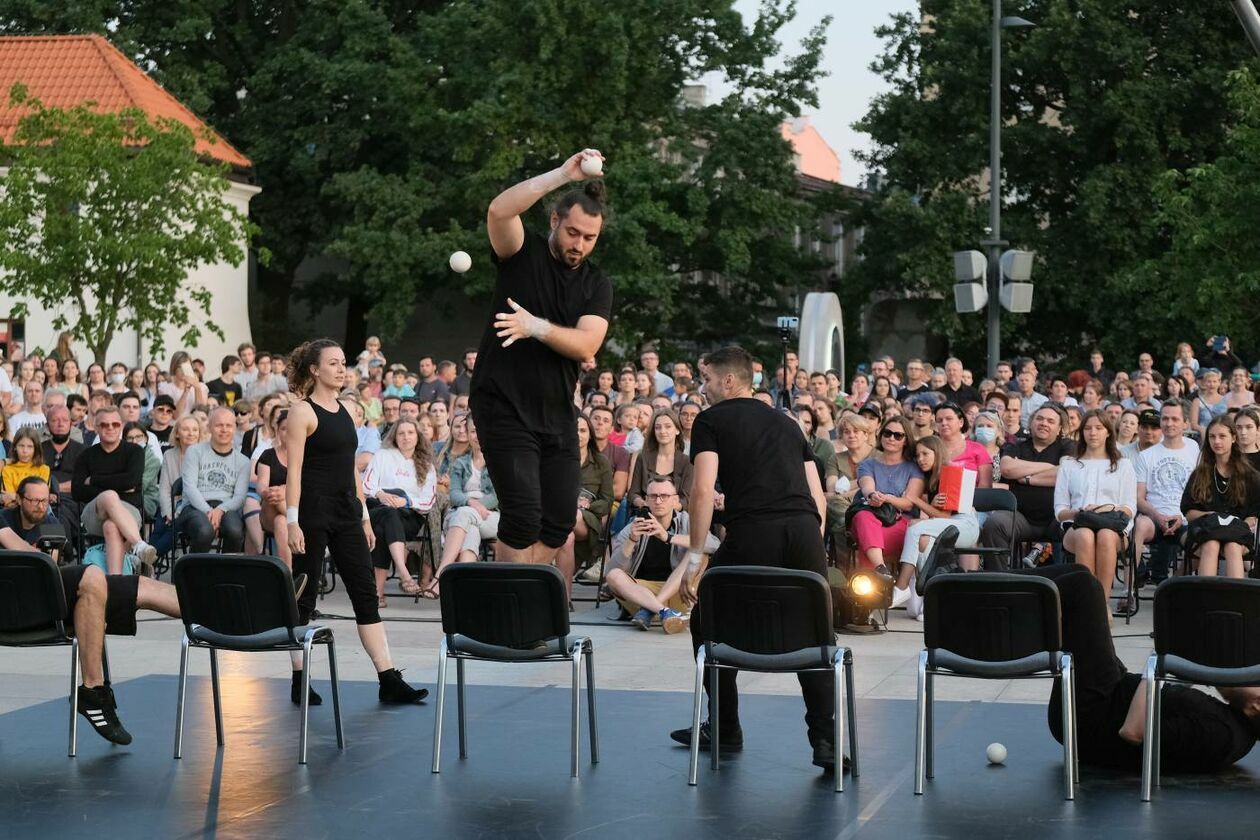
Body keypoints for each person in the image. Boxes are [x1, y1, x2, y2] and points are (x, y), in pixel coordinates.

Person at [915, 559, 1260, 774]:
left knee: (1082, 590)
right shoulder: (1229, 723)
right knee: (1079, 574)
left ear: (1258, 706)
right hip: (1110, 690)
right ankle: (961, 580)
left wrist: (1160, 668)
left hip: (1093, 718)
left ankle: (956, 596)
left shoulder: (1222, 735)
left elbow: (1133, 732)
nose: (1247, 669)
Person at [669, 346, 840, 772]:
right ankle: (825, 740)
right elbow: (817, 496)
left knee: (705, 618)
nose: (703, 389)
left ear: (729, 381)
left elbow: (703, 490)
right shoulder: (788, 422)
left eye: (707, 380)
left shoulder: (711, 420)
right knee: (815, 632)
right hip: (804, 532)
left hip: (754, 530)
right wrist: (808, 544)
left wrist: (695, 555)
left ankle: (725, 727)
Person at [473, 149, 612, 566]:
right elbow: (499, 210)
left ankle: (518, 604)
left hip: (556, 413)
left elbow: (588, 344)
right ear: (555, 220)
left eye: (590, 238)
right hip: (502, 406)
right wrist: (561, 174)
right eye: (573, 233)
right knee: (521, 517)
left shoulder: (596, 284)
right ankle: (509, 620)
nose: (579, 245)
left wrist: (537, 327)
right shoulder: (522, 254)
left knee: (556, 523)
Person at [285, 339, 428, 705]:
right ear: (315, 370)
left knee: (365, 595)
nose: (341, 368)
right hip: (313, 513)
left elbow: (351, 470)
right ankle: (300, 678)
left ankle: (388, 677)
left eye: (343, 362)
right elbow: (294, 471)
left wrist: (364, 516)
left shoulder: (347, 413)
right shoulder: (302, 411)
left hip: (348, 512)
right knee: (304, 595)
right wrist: (292, 521)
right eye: (332, 363)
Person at [0, 476, 182, 745]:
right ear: (19, 499)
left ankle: (215, 612)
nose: (40, 506)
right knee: (93, 573)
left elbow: (50, 567)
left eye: (43, 501)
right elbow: (28, 556)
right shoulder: (5, 519)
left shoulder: (51, 525)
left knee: (135, 585)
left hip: (53, 602)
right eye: (33, 501)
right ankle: (93, 692)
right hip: (15, 605)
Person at [607, 476, 716, 632]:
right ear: (646, 500)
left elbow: (715, 545)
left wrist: (668, 537)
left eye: (664, 496)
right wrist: (631, 540)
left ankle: (653, 610)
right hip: (642, 594)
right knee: (614, 576)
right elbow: (611, 571)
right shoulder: (634, 526)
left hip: (679, 592)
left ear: (675, 500)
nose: (658, 501)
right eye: (653, 496)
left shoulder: (686, 521)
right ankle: (664, 611)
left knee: (698, 554)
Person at [890, 435, 980, 615]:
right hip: (947, 525)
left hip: (965, 526)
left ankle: (901, 586)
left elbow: (944, 518)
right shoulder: (930, 478)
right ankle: (930, 597)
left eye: (925, 454)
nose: (920, 459)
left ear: (937, 453)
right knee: (922, 539)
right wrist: (928, 505)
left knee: (916, 527)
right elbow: (939, 517)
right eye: (917, 455)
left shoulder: (951, 473)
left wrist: (915, 499)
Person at [1054, 410, 1137, 603]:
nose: (1093, 433)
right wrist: (1079, 512)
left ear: (1108, 432)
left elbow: (1130, 507)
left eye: (1099, 428)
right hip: (1078, 524)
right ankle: (1086, 605)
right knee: (1085, 535)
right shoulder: (1069, 465)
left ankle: (1102, 604)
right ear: (1081, 432)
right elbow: (1060, 511)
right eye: (1088, 428)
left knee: (1106, 536)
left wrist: (1106, 509)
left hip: (1114, 525)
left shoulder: (1123, 465)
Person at [979, 404, 1073, 562]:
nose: (1044, 423)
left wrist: (1027, 478)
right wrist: (1051, 467)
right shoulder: (1015, 445)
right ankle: (998, 580)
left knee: (1075, 526)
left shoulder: (1067, 446)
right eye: (1039, 419)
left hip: (1056, 517)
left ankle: (1072, 580)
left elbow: (1065, 475)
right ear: (1030, 423)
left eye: (1050, 421)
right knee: (994, 524)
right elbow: (1007, 469)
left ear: (1059, 429)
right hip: (1020, 517)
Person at [72, 405, 158, 575]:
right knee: (109, 496)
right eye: (104, 424)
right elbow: (77, 491)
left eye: (115, 424)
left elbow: (132, 481)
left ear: (121, 425)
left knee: (112, 526)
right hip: (94, 512)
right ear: (96, 427)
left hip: (129, 511)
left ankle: (115, 581)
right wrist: (116, 489)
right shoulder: (86, 455)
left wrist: (95, 480)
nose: (110, 428)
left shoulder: (134, 452)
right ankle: (138, 544)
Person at [363, 417, 438, 604]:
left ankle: (378, 593)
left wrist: (405, 500)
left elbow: (429, 500)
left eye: (410, 433)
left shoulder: (427, 465)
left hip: (409, 517)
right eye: (401, 433)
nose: (406, 437)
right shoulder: (382, 455)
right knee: (387, 514)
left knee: (383, 528)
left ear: (418, 436)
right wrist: (381, 494)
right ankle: (403, 571)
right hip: (378, 509)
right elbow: (365, 486)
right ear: (395, 437)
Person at [1180, 414, 1260, 578]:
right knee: (1211, 544)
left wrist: (1233, 526)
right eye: (1212, 436)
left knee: (1232, 545)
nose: (1217, 441)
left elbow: (1254, 514)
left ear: (1233, 438)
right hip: (1204, 531)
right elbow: (1188, 512)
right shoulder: (1200, 473)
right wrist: (1212, 516)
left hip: (1238, 534)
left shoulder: (1250, 475)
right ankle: (1206, 601)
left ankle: (1235, 601)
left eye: (1222, 436)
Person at [1133, 399, 1200, 583]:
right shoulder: (1146, 455)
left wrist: (1181, 516)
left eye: (1175, 419)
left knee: (1203, 542)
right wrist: (1157, 515)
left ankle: (1171, 585)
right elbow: (1139, 497)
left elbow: (1200, 493)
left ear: (1185, 423)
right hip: (1153, 518)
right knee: (1139, 526)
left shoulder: (1195, 450)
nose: (1169, 423)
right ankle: (1128, 591)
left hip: (1184, 518)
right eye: (1165, 419)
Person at [850, 415, 925, 574]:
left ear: (906, 440)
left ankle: (874, 586)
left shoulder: (913, 468)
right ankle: (881, 569)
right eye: (887, 433)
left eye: (898, 435)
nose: (891, 438)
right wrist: (872, 496)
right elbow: (867, 487)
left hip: (900, 521)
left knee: (868, 544)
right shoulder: (867, 464)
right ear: (880, 435)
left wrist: (888, 499)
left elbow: (909, 503)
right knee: (863, 516)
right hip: (872, 517)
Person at [431, 415, 499, 588]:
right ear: (468, 434)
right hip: (463, 517)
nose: (478, 436)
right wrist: (472, 503)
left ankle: (440, 576)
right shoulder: (461, 463)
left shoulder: (497, 462)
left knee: (464, 514)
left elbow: (497, 496)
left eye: (481, 431)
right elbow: (453, 494)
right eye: (474, 431)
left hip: (491, 517)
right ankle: (466, 587)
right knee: (470, 530)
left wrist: (474, 504)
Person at [554, 414, 614, 598]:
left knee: (573, 516)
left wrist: (588, 506)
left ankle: (546, 568)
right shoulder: (556, 460)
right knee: (566, 538)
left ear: (589, 434)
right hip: (559, 520)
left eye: (582, 430)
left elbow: (607, 500)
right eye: (573, 430)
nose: (578, 434)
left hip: (588, 521)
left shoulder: (600, 462)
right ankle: (564, 598)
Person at [175, 407, 249, 553]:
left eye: (228, 425)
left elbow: (240, 497)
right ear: (209, 427)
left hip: (226, 507)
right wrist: (209, 511)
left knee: (235, 531)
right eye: (219, 425)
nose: (224, 429)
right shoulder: (194, 451)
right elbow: (189, 487)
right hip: (193, 507)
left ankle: (226, 573)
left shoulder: (243, 461)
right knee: (205, 531)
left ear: (235, 428)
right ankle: (195, 574)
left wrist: (220, 510)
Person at [628, 409, 693, 509]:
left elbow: (687, 499)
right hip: (646, 512)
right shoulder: (643, 457)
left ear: (677, 430)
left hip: (675, 515)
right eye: (658, 428)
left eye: (668, 426)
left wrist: (665, 509)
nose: (662, 431)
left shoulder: (687, 462)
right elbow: (633, 493)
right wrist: (643, 504)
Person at [2, 427, 50, 507]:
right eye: (21, 446)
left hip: (39, 511)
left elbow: (41, 498)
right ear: (15, 447)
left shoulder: (44, 469)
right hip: (14, 512)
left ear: (36, 449)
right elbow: (8, 501)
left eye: (30, 447)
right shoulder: (7, 470)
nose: (25, 451)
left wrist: (15, 496)